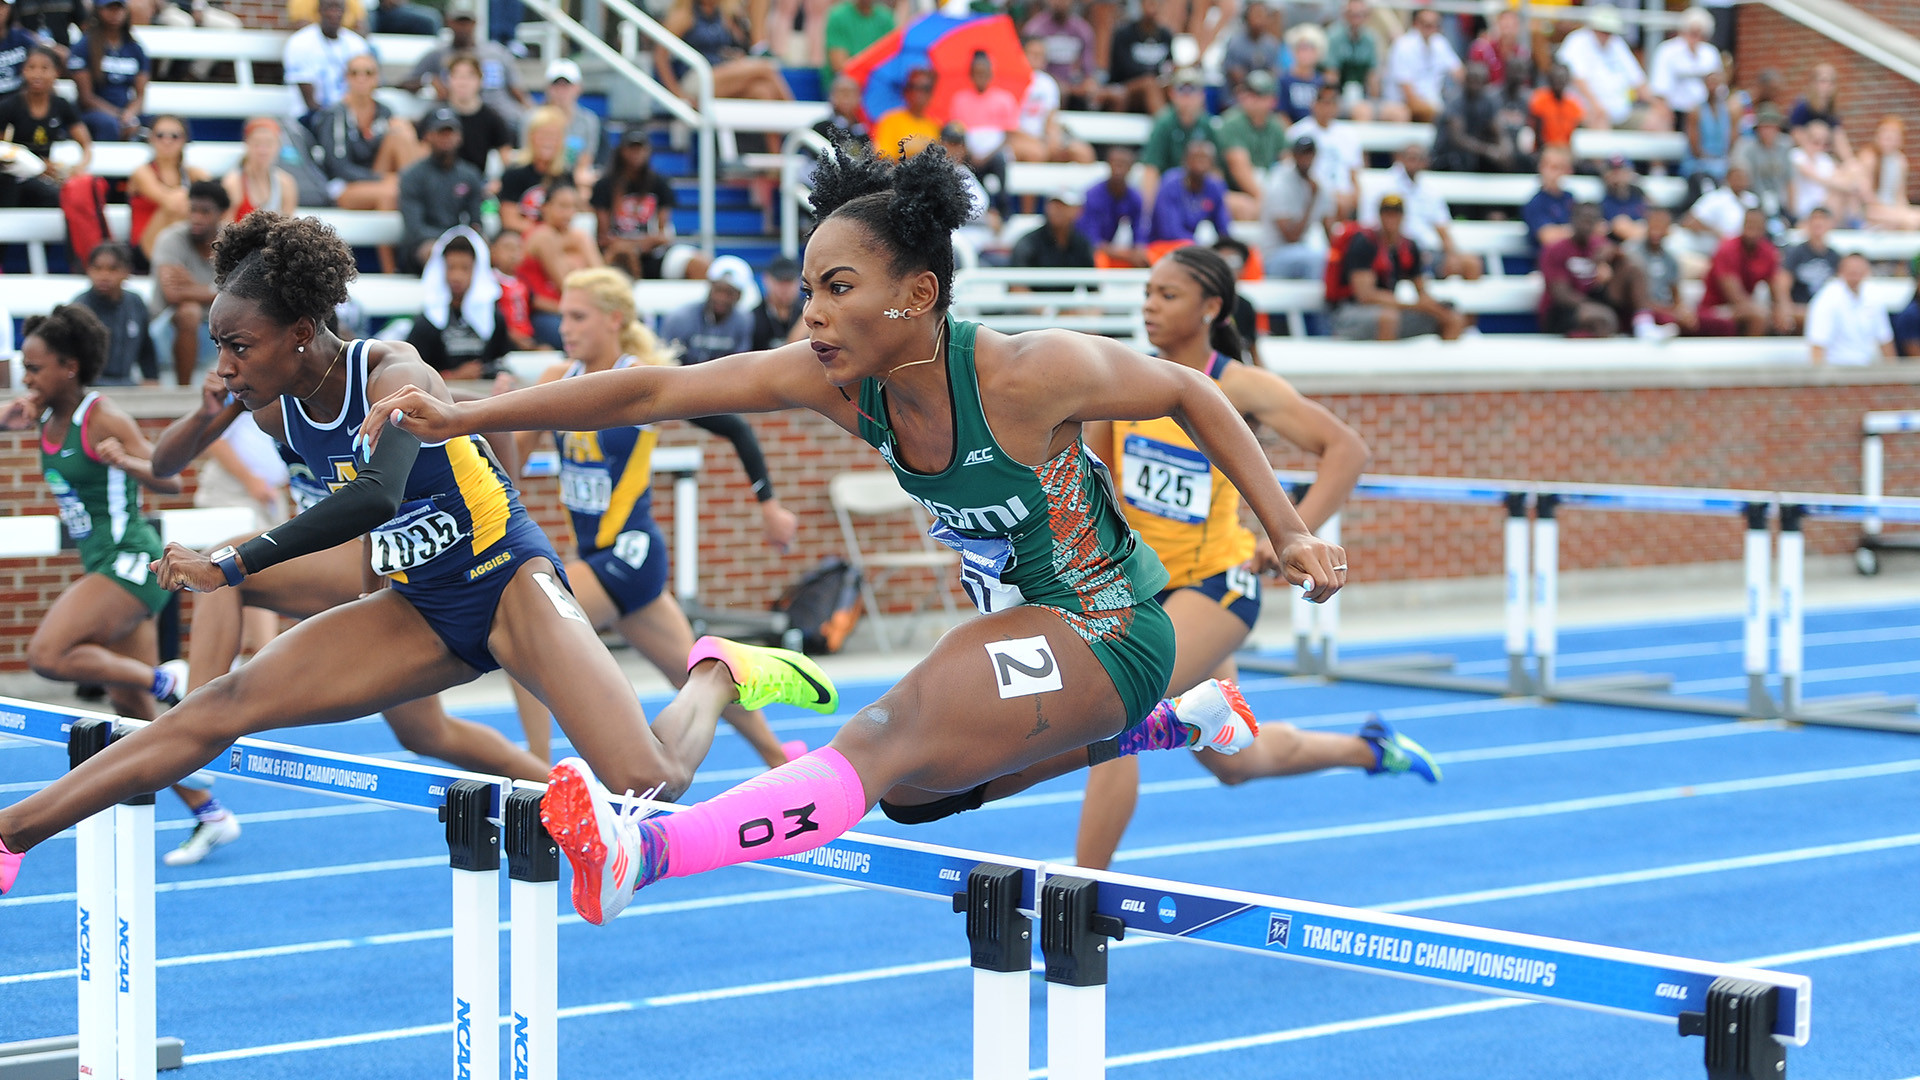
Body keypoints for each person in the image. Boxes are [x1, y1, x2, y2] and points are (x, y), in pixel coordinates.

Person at [343, 144, 1346, 925]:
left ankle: (645, 851)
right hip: (1031, 631)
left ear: (918, 293)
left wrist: (1290, 530)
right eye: (810, 287)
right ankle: (1183, 720)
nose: (812, 313)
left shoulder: (1024, 371)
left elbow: (1186, 392)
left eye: (839, 288)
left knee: (879, 737)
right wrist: (469, 414)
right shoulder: (832, 378)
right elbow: (658, 387)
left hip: (1108, 623)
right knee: (908, 799)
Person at [0, 211, 843, 903]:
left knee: (648, 781)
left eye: (239, 347)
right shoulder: (265, 402)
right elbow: (175, 462)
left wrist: (237, 564)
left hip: (505, 578)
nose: (226, 366)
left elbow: (376, 497)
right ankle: (12, 835)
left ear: (301, 332)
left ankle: (718, 674)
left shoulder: (391, 367)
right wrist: (179, 436)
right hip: (417, 605)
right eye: (220, 345)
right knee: (220, 706)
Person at [1054, 246, 1432, 869]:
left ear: (1212, 308)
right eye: (1147, 292)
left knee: (1114, 717)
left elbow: (1346, 449)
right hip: (1146, 593)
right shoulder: (1125, 378)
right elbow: (1094, 483)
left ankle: (1079, 895)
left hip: (1217, 587)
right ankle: (1370, 749)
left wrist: (1290, 534)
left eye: (1167, 295)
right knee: (1239, 762)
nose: (1149, 305)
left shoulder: (1241, 387)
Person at [504, 267, 800, 771]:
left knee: (523, 631)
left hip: (629, 552)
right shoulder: (558, 379)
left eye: (579, 317)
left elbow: (734, 427)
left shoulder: (638, 381)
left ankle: (536, 771)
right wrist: (498, 404)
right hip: (595, 555)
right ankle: (781, 758)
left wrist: (767, 504)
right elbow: (510, 458)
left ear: (614, 321)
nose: (566, 328)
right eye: (563, 317)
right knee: (693, 673)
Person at [0, 305, 235, 866]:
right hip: (104, 564)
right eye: (23, 369)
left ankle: (165, 676)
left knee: (49, 653)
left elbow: (171, 478)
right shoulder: (39, 416)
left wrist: (125, 461)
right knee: (136, 720)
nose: (27, 378)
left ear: (69, 367)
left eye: (35, 368)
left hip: (133, 561)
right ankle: (210, 813)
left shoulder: (99, 416)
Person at [1330, 193, 1467, 341]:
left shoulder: (1408, 246)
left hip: (1388, 310)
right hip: (1349, 313)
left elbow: (1422, 291)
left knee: (1451, 317)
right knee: (1388, 318)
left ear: (1403, 216)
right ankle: (1382, 364)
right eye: (1387, 213)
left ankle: (1443, 363)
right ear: (1380, 216)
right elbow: (1365, 296)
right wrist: (1414, 305)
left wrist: (1435, 308)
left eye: (1396, 213)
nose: (1391, 218)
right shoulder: (1365, 243)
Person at [1538, 202, 1667, 339]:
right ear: (1573, 219)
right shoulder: (1555, 250)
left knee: (1634, 268)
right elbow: (1561, 294)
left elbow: (1624, 263)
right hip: (1564, 310)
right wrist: (1595, 306)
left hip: (1595, 299)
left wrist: (1612, 255)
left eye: (1592, 221)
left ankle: (1644, 325)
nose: (1587, 225)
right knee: (1604, 318)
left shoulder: (1600, 244)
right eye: (1584, 219)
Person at [593, 128, 706, 282]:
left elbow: (662, 235)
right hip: (616, 255)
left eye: (640, 148)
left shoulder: (659, 184)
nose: (636, 153)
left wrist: (641, 245)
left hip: (653, 255)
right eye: (631, 148)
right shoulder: (605, 185)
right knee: (622, 253)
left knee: (700, 264)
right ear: (622, 151)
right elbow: (604, 237)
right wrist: (632, 246)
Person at [403, 0, 532, 128]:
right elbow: (405, 82)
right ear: (449, 23)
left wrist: (532, 111)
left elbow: (516, 87)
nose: (463, 27)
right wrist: (428, 80)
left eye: (466, 22)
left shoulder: (496, 51)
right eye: (458, 22)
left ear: (475, 23)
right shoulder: (437, 54)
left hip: (502, 114)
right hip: (458, 116)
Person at [1363, 143, 1480, 279]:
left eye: (1419, 158)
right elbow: (1371, 226)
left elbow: (1443, 229)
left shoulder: (1430, 190)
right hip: (1395, 250)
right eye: (1411, 157)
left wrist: (1451, 255)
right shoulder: (1383, 185)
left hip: (1426, 252)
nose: (1415, 162)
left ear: (1426, 161)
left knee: (1471, 264)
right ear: (1400, 158)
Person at [149, 180, 227, 384]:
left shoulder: (231, 242)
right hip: (167, 327)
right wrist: (218, 292)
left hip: (218, 324)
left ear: (221, 213)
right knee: (189, 312)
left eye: (205, 212)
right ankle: (183, 392)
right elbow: (172, 294)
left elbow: (243, 295)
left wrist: (192, 287)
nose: (196, 218)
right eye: (193, 210)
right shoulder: (171, 239)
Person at [408, 227, 512, 378]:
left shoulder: (494, 318)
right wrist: (454, 376)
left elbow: (500, 364)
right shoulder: (428, 320)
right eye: (451, 267)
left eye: (465, 268)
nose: (456, 276)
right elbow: (414, 374)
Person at [655, 0, 793, 110]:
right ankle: (798, 123)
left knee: (763, 92)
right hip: (697, 78)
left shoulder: (721, 16)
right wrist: (677, 94)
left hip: (720, 73)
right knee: (765, 68)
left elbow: (724, 47)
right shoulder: (685, 16)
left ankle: (781, 145)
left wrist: (733, 58)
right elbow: (660, 56)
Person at [0, 47, 92, 210]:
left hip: (48, 175)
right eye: (31, 67)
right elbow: (3, 151)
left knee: (64, 195)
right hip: (14, 175)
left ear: (56, 72)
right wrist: (37, 165)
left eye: (44, 68)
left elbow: (85, 144)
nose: (37, 74)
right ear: (23, 71)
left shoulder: (62, 104)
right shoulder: (10, 105)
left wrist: (79, 167)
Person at [399, 108, 487, 274]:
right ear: (428, 136)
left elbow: (476, 221)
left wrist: (465, 238)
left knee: (490, 248)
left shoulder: (470, 175)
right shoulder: (412, 175)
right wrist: (452, 239)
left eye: (450, 133)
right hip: (423, 245)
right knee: (434, 251)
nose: (446, 138)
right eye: (440, 133)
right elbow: (415, 229)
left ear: (459, 137)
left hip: (460, 241)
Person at [520, 179, 602, 347]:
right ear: (546, 207)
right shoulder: (543, 235)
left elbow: (602, 279)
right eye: (563, 206)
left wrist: (583, 243)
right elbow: (569, 284)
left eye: (573, 207)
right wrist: (577, 260)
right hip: (542, 313)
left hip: (564, 311)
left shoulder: (577, 237)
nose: (569, 213)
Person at [1697, 207, 1795, 336]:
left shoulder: (1767, 251)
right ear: (1742, 225)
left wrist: (1783, 311)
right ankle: (1752, 355)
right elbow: (1735, 297)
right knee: (1758, 316)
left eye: (1757, 225)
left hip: (1744, 307)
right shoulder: (1727, 249)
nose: (1752, 229)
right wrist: (1768, 312)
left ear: (1764, 228)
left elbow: (1776, 287)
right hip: (1716, 308)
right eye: (1749, 224)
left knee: (1793, 316)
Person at [71, 242, 158, 385]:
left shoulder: (135, 303)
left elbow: (146, 348)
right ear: (89, 270)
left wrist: (152, 379)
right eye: (97, 268)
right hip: (90, 386)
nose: (104, 275)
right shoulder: (79, 308)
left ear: (127, 272)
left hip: (127, 383)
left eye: (112, 269)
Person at [67, 0, 147, 142]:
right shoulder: (84, 46)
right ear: (98, 10)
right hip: (93, 112)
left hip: (125, 111)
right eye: (109, 8)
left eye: (119, 8)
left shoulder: (135, 48)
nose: (115, 13)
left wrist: (129, 115)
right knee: (108, 124)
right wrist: (119, 116)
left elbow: (140, 95)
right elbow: (86, 97)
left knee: (165, 126)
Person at [127, 114, 204, 260]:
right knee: (178, 201)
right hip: (145, 249)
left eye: (174, 136)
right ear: (151, 139)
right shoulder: (143, 172)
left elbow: (219, 199)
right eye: (160, 135)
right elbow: (170, 202)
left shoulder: (193, 172)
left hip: (179, 243)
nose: (167, 141)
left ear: (184, 140)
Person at [283, 0, 371, 125]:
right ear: (319, 10)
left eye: (339, 9)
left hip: (349, 117)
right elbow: (310, 102)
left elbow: (365, 85)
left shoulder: (357, 44)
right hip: (310, 117)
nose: (334, 13)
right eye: (330, 8)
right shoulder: (300, 42)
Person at [1556, 5, 1643, 132]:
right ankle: (1606, 152)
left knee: (1657, 119)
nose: (1606, 35)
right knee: (1599, 118)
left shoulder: (1617, 43)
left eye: (1609, 31)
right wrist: (1597, 106)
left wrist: (1658, 105)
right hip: (1586, 109)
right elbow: (1577, 79)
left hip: (1621, 111)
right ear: (1593, 28)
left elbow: (1638, 79)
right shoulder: (1577, 41)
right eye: (1603, 30)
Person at [1139, 68, 1217, 207]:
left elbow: (1215, 170)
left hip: (1198, 191)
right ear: (1172, 94)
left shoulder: (1206, 125)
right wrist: (1147, 209)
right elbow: (1151, 170)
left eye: (1192, 90)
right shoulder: (1164, 124)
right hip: (1168, 192)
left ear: (1202, 95)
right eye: (1182, 89)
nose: (1187, 96)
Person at [1261, 136, 1336, 280]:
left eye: (1309, 154)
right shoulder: (1279, 183)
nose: (1305, 158)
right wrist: (1311, 200)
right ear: (1294, 155)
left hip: (1301, 251)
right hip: (1274, 255)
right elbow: (1291, 237)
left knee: (1335, 259)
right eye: (1302, 154)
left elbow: (1329, 229)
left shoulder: (1320, 183)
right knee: (1317, 259)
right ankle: (1320, 302)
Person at [1216, 70, 1287, 221]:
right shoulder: (1232, 123)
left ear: (1272, 100)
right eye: (1247, 93)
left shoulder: (1275, 125)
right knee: (1247, 208)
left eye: (1257, 95)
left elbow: (1287, 163)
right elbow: (1239, 167)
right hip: (1233, 189)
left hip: (1265, 184)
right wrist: (1266, 201)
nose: (1249, 99)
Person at [660, 255, 756, 364]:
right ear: (710, 287)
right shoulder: (680, 317)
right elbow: (668, 361)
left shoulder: (744, 320)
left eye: (730, 293)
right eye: (718, 290)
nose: (722, 298)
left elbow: (740, 364)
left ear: (739, 296)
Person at [1012, 36, 1093, 164]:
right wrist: (1037, 141)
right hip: (1019, 138)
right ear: (1021, 54)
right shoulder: (1010, 84)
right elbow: (1009, 126)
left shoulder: (1047, 83)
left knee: (1083, 153)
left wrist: (1052, 139)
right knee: (1036, 153)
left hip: (1044, 138)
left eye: (1041, 54)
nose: (1037, 58)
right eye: (1033, 53)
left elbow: (1051, 117)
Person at [518, 60, 602, 183]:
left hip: (572, 181)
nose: (561, 91)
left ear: (578, 88)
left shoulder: (588, 121)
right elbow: (526, 155)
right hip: (535, 178)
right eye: (556, 85)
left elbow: (585, 162)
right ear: (547, 88)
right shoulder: (530, 118)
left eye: (567, 85)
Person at [500, 106, 580, 233]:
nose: (547, 141)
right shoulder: (514, 173)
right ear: (531, 137)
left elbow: (569, 218)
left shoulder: (565, 175)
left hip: (557, 238)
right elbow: (510, 220)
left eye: (553, 136)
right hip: (522, 238)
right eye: (543, 135)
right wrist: (542, 233)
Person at [1145, 139, 1232, 255]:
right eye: (1196, 158)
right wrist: (1200, 246)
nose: (1200, 163)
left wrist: (1227, 247)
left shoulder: (1215, 186)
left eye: (1205, 159)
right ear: (1185, 160)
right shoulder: (1170, 184)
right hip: (1165, 247)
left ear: (1212, 163)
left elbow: (1223, 228)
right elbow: (1169, 231)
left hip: (1195, 248)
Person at [1290, 83, 1364, 219]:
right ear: (1314, 104)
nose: (1327, 107)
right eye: (1324, 102)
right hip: (1309, 193)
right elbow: (1293, 170)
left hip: (1343, 196)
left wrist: (1356, 197)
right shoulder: (1298, 132)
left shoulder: (1349, 134)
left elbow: (1354, 174)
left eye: (1332, 103)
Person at [1805, 253, 1892, 366]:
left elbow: (1885, 340)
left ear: (1867, 272)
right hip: (1835, 371)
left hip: (1866, 370)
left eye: (1859, 271)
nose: (1855, 276)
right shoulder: (1826, 299)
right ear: (1840, 272)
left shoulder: (1873, 295)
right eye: (1852, 272)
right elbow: (1817, 345)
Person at [439, 53, 516, 176]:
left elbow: (506, 158)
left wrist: (498, 183)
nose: (463, 82)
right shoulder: (437, 116)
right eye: (457, 76)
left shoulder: (492, 118)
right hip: (441, 182)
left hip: (477, 185)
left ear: (480, 80)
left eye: (469, 76)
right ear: (448, 80)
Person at [1646, 6, 1720, 133]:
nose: (1696, 38)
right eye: (1692, 33)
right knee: (1655, 120)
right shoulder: (1667, 51)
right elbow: (1659, 92)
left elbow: (1719, 90)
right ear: (1683, 31)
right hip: (1675, 111)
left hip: (1703, 112)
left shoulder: (1711, 53)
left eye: (1701, 34)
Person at [1432, 61, 1515, 174]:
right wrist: (1489, 151)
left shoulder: (1489, 100)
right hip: (1447, 155)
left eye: (1478, 81)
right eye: (1471, 80)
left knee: (1511, 160)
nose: (1474, 85)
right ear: (1465, 81)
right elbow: (1458, 138)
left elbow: (1497, 129)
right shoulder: (1455, 100)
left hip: (1474, 153)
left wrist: (1505, 147)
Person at [1381, 6, 1460, 124]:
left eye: (1435, 25)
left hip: (1433, 105)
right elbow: (1409, 96)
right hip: (1401, 104)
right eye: (1426, 24)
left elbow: (1459, 73)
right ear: (1416, 24)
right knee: (1402, 115)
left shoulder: (1440, 43)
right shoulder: (1403, 46)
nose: (1430, 29)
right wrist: (1439, 112)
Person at [1623, 206, 1695, 333]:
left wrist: (1683, 311)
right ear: (1647, 226)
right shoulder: (1631, 253)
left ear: (1668, 230)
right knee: (1669, 320)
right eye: (1654, 225)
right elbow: (1631, 297)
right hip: (1640, 310)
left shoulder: (1671, 259)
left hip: (1665, 308)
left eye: (1661, 226)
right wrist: (1670, 312)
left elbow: (1676, 295)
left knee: (1694, 321)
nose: (1657, 231)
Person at [947, 50, 1021, 170]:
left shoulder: (1004, 99)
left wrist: (988, 156)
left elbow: (1009, 135)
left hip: (996, 152)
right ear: (971, 74)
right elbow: (957, 132)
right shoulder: (959, 99)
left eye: (984, 73)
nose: (981, 77)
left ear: (991, 74)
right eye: (977, 73)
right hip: (968, 153)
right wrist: (970, 152)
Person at [1080, 143, 1149, 269]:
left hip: (1110, 250)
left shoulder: (1134, 197)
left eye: (1123, 164)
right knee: (1098, 259)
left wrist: (1139, 251)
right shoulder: (1093, 195)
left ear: (1131, 168)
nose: (1118, 168)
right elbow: (1090, 241)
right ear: (1108, 165)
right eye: (1115, 163)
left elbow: (1139, 233)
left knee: (1147, 259)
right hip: (1083, 251)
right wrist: (1127, 255)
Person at [1022, 0, 1097, 109]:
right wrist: (1056, 83)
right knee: (1055, 89)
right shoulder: (1035, 28)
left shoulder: (1083, 29)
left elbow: (1088, 69)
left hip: (1075, 84)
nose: (1060, 2)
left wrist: (1087, 82)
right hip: (1044, 80)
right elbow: (1031, 63)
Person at [1102, 0, 1173, 115]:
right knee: (1149, 84)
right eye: (1150, 3)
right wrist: (1155, 74)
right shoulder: (1124, 34)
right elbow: (1123, 69)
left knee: (1179, 87)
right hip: (1125, 87)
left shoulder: (1166, 35)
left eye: (1156, 4)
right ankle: (1164, 127)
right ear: (1141, 5)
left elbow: (1169, 65)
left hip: (1157, 85)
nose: (1152, 8)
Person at [221, 118, 298, 222]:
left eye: (269, 144)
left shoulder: (286, 183)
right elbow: (226, 226)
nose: (262, 151)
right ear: (247, 144)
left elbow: (289, 224)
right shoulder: (233, 182)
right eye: (257, 144)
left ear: (278, 146)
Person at [1011, 188, 1096, 275]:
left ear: (1078, 210)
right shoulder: (1028, 243)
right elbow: (1017, 284)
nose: (1057, 210)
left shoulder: (1082, 244)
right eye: (1054, 204)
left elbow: (1092, 284)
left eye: (1064, 206)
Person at [1731, 106, 1793, 223]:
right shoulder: (1747, 148)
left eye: (1771, 127)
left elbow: (1790, 180)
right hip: (1754, 201)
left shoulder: (1785, 146)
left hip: (1779, 202)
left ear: (1777, 128)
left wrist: (1791, 210)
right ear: (1758, 129)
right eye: (1764, 127)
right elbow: (1739, 177)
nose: (1767, 131)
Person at [1325, 0, 1382, 122]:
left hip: (1363, 95)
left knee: (1397, 112)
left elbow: (1373, 76)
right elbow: (1331, 75)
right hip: (1340, 95)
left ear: (1367, 16)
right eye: (1352, 14)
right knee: (1362, 112)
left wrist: (1375, 102)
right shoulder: (1334, 36)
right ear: (1345, 15)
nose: (1356, 19)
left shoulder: (1371, 39)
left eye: (1360, 15)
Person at [871, 68, 940, 161]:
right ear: (906, 91)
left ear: (931, 93)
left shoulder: (934, 126)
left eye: (925, 88)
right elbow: (884, 158)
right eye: (914, 87)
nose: (919, 93)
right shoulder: (890, 121)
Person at [821, 0, 891, 87]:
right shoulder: (838, 17)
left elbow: (892, 61)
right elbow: (839, 67)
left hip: (877, 86)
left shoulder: (887, 19)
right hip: (846, 86)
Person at [1221, 0, 1285, 94]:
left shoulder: (1271, 44)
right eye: (1255, 15)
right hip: (1237, 95)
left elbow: (1274, 71)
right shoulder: (1235, 42)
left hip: (1262, 95)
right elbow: (1235, 74)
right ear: (1246, 18)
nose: (1258, 20)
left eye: (1262, 15)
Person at [1791, 120, 1847, 225]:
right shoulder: (1796, 155)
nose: (1820, 147)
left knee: (1840, 195)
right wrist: (1836, 182)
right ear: (1806, 139)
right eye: (1816, 142)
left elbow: (1846, 181)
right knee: (1837, 193)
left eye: (1825, 144)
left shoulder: (1824, 159)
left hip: (1824, 207)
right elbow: (1813, 175)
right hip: (1804, 210)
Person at [1522, 145, 1576, 251]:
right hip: (1548, 263)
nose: (1552, 173)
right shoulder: (1536, 202)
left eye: (1559, 167)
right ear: (1541, 167)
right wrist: (1577, 231)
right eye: (1549, 166)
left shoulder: (1570, 198)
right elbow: (1547, 236)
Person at [751, 255, 804, 351]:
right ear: (766, 280)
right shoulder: (753, 317)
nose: (785, 288)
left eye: (790, 281)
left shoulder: (809, 314)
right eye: (780, 281)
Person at [812, 74, 873, 158]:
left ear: (859, 98)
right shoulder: (821, 129)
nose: (846, 97)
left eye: (851, 93)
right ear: (831, 96)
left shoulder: (864, 132)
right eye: (841, 92)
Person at [1274, 24, 1325, 123]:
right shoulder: (1284, 80)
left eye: (1311, 49)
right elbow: (1281, 113)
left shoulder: (1322, 82)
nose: (1306, 54)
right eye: (1302, 48)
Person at [1528, 62, 1584, 152]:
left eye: (1561, 79)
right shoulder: (1540, 100)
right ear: (1550, 80)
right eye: (1556, 79)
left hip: (1565, 150)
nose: (1558, 82)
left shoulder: (1574, 105)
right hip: (1544, 149)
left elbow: (1576, 134)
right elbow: (1537, 133)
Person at [1469, 7, 1524, 89]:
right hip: (1486, 97)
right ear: (1497, 25)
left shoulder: (1522, 54)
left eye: (1512, 25)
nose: (1508, 30)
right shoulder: (1482, 50)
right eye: (1505, 25)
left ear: (1518, 28)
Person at [1600, 155, 1648, 243]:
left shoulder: (1640, 196)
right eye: (1613, 171)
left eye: (1621, 170)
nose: (1617, 176)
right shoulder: (1602, 201)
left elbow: (1654, 222)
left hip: (1643, 243)